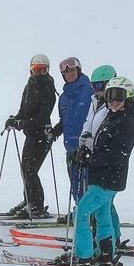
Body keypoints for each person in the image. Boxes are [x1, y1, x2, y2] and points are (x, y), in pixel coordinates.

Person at [63, 76, 134, 266]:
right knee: (102, 214)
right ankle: (106, 252)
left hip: (108, 179)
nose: (113, 101)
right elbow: (101, 145)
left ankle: (83, 254)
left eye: (119, 96)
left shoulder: (126, 122)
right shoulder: (113, 117)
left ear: (128, 97)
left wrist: (91, 158)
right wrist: (83, 153)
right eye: (110, 96)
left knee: (81, 212)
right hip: (104, 177)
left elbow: (117, 154)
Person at [2, 54, 58, 218]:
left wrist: (21, 123)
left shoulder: (48, 88)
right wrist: (15, 119)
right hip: (31, 135)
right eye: (36, 69)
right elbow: (23, 111)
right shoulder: (29, 86)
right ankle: (28, 199)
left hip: (42, 135)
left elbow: (42, 117)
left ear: (47, 70)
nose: (38, 73)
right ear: (31, 70)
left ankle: (37, 205)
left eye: (42, 70)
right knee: (25, 169)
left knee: (31, 170)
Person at [71, 65, 118, 202]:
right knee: (99, 197)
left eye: (101, 86)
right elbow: (88, 124)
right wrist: (82, 146)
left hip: (103, 157)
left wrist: (92, 150)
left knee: (101, 196)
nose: (98, 90)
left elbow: (105, 132)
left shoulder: (114, 106)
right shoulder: (94, 101)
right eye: (94, 86)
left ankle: (87, 212)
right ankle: (90, 212)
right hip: (91, 156)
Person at [51, 57, 93, 199]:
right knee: (76, 187)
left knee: (90, 187)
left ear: (78, 70)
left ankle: (93, 211)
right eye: (66, 73)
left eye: (72, 70)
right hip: (71, 148)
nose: (69, 74)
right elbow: (65, 121)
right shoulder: (63, 97)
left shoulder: (90, 90)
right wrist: (55, 131)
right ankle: (79, 208)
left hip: (88, 148)